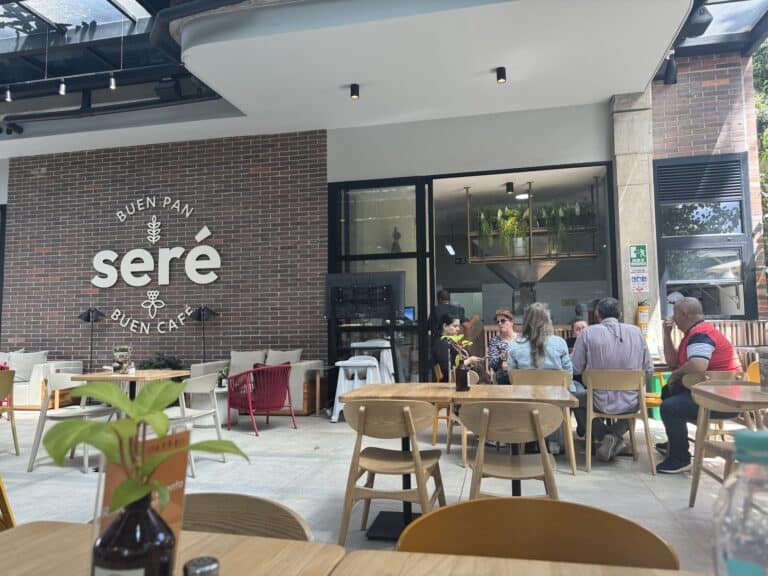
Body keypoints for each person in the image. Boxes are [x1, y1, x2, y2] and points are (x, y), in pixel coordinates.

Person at [655, 297, 741, 474]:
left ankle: (680, 458)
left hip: (723, 399)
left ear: (684, 314)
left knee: (670, 407)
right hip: (712, 392)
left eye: (675, 314)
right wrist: (666, 334)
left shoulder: (701, 334)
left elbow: (698, 365)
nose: (674, 319)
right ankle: (676, 441)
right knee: (668, 391)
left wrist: (676, 375)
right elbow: (673, 362)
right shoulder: (693, 334)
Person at [571, 297, 653, 463]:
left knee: (574, 400)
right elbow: (649, 371)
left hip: (598, 400)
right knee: (635, 403)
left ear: (597, 315)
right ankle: (614, 435)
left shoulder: (588, 333)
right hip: (632, 401)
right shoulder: (637, 332)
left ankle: (605, 435)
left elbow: (575, 369)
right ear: (620, 315)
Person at [507, 303, 572, 453]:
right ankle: (555, 440)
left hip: (525, 400)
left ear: (525, 321)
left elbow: (512, 376)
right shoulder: (560, 343)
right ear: (548, 320)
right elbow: (568, 374)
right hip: (555, 400)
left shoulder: (515, 345)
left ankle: (529, 439)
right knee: (572, 393)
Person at [432, 313, 482, 382]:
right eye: (455, 326)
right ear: (445, 326)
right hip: (455, 381)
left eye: (458, 326)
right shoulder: (442, 344)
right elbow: (447, 371)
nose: (458, 329)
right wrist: (468, 361)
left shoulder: (450, 341)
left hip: (462, 378)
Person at [486, 309, 516, 384]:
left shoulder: (521, 339)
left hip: (521, 370)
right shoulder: (494, 341)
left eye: (503, 321)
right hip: (503, 374)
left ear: (512, 322)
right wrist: (503, 356)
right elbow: (492, 363)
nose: (500, 323)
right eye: (497, 322)